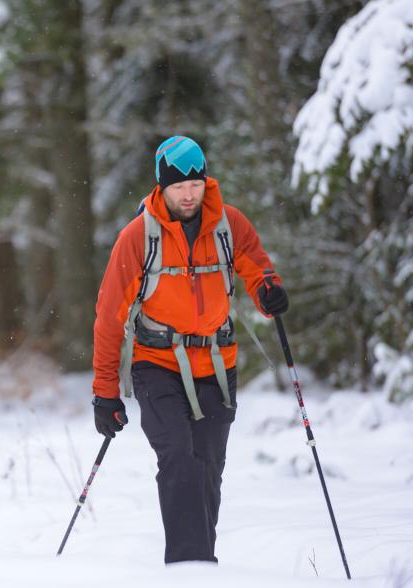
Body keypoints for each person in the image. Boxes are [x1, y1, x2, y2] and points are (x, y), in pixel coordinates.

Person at [90, 136, 289, 564]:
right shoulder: (137, 238)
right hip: (156, 363)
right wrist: (105, 392)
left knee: (208, 467)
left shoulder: (229, 224)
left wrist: (268, 292)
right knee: (178, 455)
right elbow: (109, 317)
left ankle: (200, 561)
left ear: (205, 181)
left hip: (217, 364)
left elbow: (257, 266)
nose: (188, 194)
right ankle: (190, 568)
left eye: (195, 185)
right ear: (161, 187)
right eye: (179, 187)